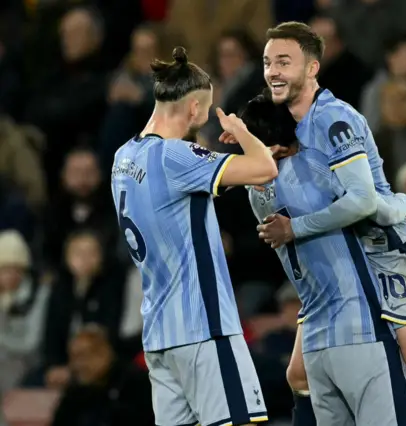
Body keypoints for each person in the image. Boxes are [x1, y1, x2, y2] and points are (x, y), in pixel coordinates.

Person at [251, 22, 406, 426]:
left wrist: (396, 206)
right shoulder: (285, 121)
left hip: (383, 253)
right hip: (341, 260)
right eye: (268, 61)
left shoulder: (334, 118)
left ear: (312, 68)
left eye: (284, 61)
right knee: (298, 374)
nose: (273, 70)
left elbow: (361, 201)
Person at [110, 46, 278, 426]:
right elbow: (264, 168)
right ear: (192, 110)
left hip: (159, 335)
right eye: (206, 111)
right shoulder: (176, 156)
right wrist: (242, 131)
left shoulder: (123, 158)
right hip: (203, 325)